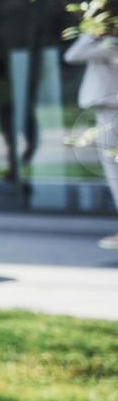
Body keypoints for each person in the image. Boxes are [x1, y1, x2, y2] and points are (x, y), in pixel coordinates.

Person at [64, 29, 118, 248]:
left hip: (111, 110)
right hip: (108, 109)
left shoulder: (110, 45)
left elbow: (72, 55)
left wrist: (92, 32)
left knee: (113, 170)